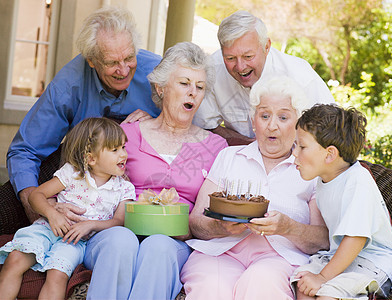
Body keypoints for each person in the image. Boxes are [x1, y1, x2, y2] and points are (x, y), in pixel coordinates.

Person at [4, 6, 161, 300]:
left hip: (133, 187)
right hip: (75, 182)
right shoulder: (69, 84)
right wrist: (42, 208)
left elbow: (190, 121)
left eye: (130, 58)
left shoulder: (158, 73)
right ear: (91, 60)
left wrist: (156, 122)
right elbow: (25, 150)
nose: (125, 69)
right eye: (113, 63)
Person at [181, 76, 329, 299]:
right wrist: (221, 228)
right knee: (211, 287)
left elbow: (321, 240)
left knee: (260, 284)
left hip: (279, 258)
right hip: (221, 252)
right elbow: (196, 222)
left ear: (298, 124)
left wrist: (288, 228)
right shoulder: (229, 157)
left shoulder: (311, 171)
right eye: (265, 115)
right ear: (253, 121)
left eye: (283, 117)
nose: (272, 125)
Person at [120, 41, 228, 300]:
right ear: (161, 87)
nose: (193, 92)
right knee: (120, 243)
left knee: (158, 246)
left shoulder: (216, 147)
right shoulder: (127, 134)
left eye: (199, 87)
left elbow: (211, 212)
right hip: (125, 229)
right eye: (184, 83)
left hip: (176, 241)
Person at [0, 117, 136, 299]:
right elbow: (36, 195)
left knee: (57, 274)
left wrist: (90, 225)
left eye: (123, 147)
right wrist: (51, 213)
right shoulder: (72, 173)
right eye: (114, 150)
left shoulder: (124, 188)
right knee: (15, 260)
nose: (123, 155)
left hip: (75, 241)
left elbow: (119, 221)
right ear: (91, 159)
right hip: (46, 228)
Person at [291, 104, 392, 299]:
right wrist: (316, 277)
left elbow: (355, 238)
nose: (294, 153)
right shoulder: (324, 179)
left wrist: (323, 277)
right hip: (342, 256)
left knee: (328, 293)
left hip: (374, 261)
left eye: (302, 146)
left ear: (330, 154)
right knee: (303, 284)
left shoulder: (357, 181)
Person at [192, 10, 334, 146]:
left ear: (266, 46)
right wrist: (252, 147)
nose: (240, 67)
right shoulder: (212, 69)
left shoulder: (300, 76)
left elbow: (331, 131)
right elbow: (206, 127)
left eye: (248, 56)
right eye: (230, 58)